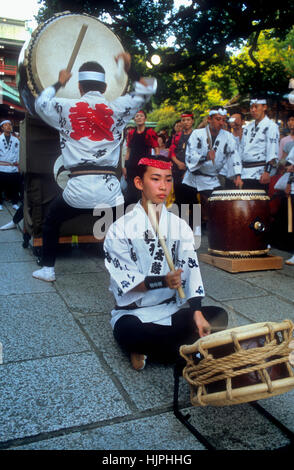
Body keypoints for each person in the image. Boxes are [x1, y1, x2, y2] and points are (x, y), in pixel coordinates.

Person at [32, 52, 157, 282]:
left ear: (79, 87)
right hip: (109, 191)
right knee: (127, 224)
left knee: (51, 220)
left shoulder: (65, 107)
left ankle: (48, 269)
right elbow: (148, 88)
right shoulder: (118, 108)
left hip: (76, 189)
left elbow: (40, 103)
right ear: (105, 86)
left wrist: (60, 82)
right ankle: (138, 267)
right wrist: (130, 69)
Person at [103, 155, 228, 370]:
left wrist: (196, 311)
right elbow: (127, 282)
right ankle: (188, 352)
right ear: (139, 183)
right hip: (134, 314)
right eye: (156, 179)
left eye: (168, 180)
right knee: (130, 332)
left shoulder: (179, 226)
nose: (163, 186)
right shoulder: (119, 229)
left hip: (171, 309)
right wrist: (162, 281)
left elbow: (191, 269)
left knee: (217, 316)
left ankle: (163, 352)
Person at [183, 107, 242, 226]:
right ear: (209, 119)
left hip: (211, 179)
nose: (221, 122)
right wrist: (205, 157)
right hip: (192, 178)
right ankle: (189, 232)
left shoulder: (228, 137)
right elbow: (190, 154)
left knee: (219, 204)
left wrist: (237, 175)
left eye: (223, 120)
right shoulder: (197, 134)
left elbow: (234, 155)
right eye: (218, 119)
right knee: (187, 208)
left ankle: (214, 232)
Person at [240, 98, 279, 190]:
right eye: (251, 107)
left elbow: (272, 150)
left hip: (260, 173)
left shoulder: (271, 126)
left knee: (257, 203)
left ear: (264, 107)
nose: (253, 110)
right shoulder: (247, 127)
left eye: (256, 107)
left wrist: (267, 172)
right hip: (245, 172)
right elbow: (241, 149)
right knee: (245, 203)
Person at [123, 110, 159, 205]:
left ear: (145, 118)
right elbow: (128, 151)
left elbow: (156, 149)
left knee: (144, 190)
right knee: (131, 191)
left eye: (141, 116)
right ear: (134, 119)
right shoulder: (131, 133)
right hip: (132, 166)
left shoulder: (150, 132)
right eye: (137, 116)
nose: (139, 117)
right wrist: (125, 166)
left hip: (144, 166)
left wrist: (156, 165)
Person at [0, 120, 22, 211]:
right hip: (2, 166)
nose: (8, 126)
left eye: (10, 125)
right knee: (0, 186)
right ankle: (0, 203)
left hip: (13, 167)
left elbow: (18, 153)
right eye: (6, 125)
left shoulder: (16, 139)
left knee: (14, 186)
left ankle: (14, 203)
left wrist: (18, 164)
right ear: (2, 128)